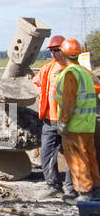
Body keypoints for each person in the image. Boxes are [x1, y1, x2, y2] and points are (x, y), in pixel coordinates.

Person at [54, 38, 100, 201]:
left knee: (77, 159)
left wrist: (63, 123)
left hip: (75, 126)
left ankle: (84, 193)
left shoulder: (70, 74)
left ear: (63, 53)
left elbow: (68, 102)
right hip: (88, 125)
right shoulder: (85, 73)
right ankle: (95, 190)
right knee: (90, 157)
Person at [32, 34, 75, 198]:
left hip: (70, 121)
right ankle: (53, 186)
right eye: (51, 50)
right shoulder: (47, 69)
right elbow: (36, 82)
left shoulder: (74, 69)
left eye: (57, 50)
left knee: (72, 155)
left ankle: (71, 188)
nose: (54, 53)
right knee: (47, 153)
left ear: (64, 50)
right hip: (49, 120)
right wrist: (39, 91)